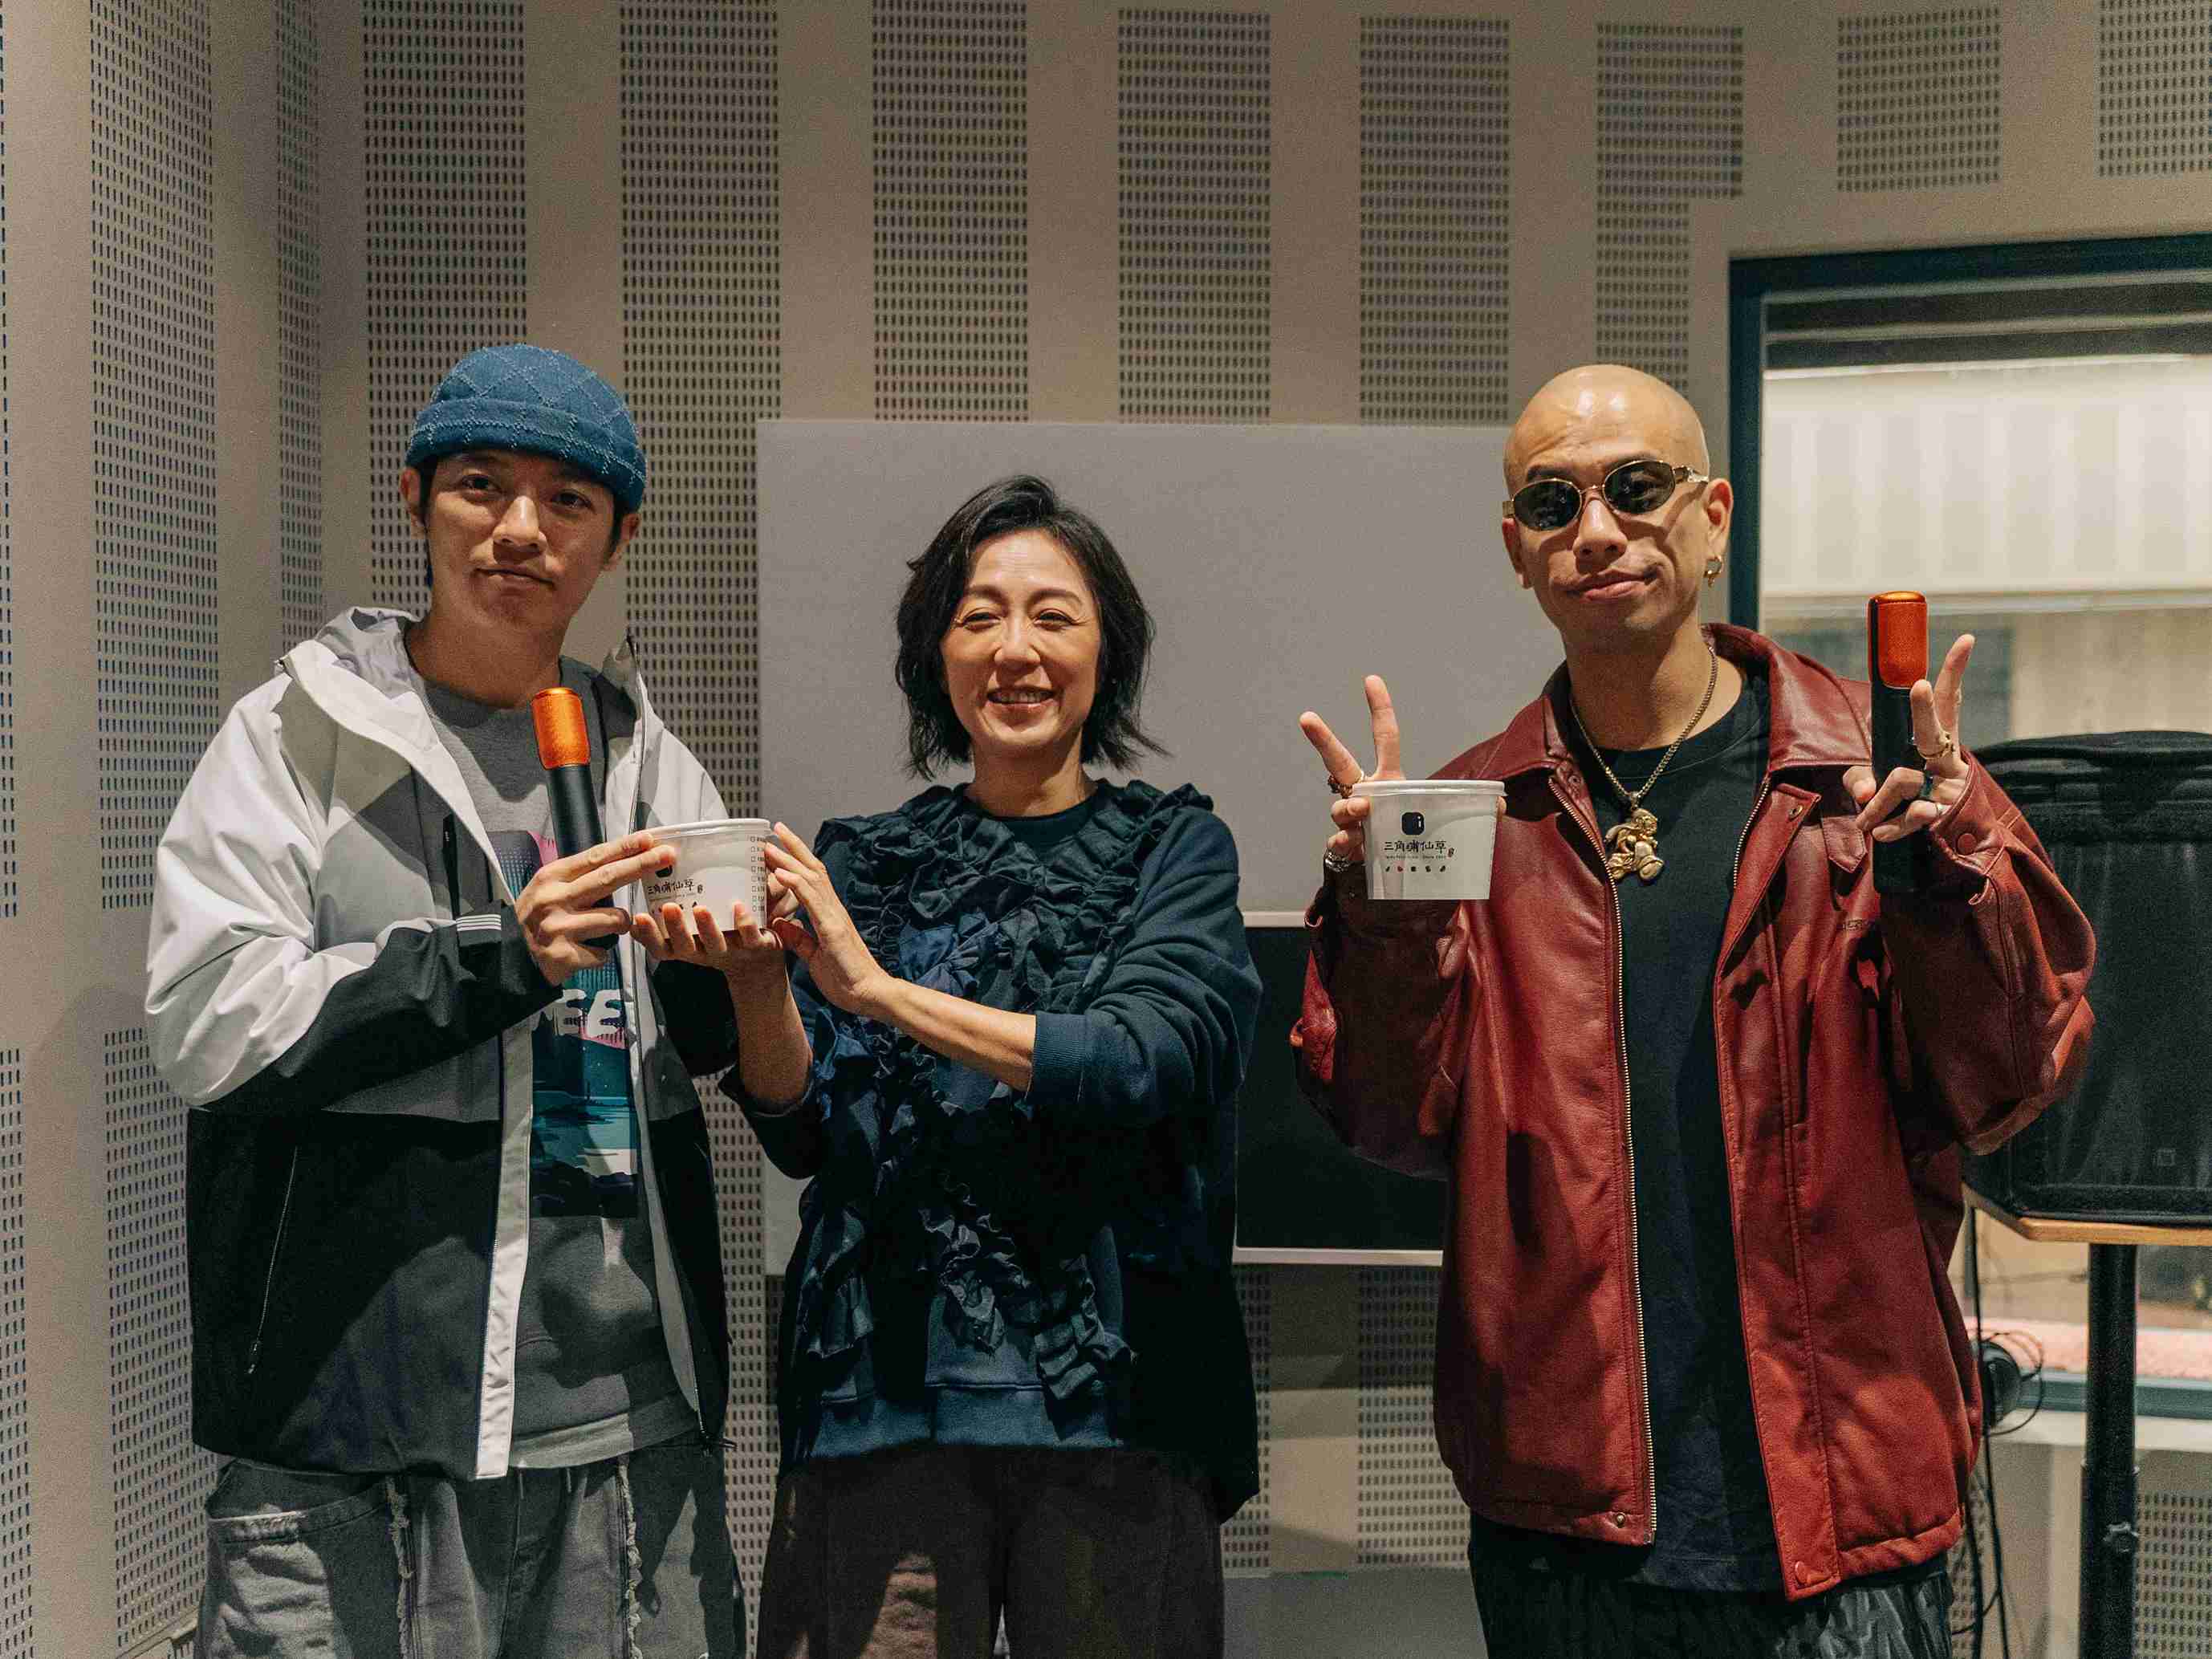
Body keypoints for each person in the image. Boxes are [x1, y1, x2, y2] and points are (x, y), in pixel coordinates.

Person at [1293, 364, 2095, 1659]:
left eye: (1636, 487)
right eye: (1553, 502)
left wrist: (1951, 880)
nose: (1596, 529)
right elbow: (1390, 1121)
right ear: (1517, 551)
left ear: (1712, 518)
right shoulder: (1473, 816)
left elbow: (2011, 1084)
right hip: (1566, 1512)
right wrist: (1382, 911)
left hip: (1838, 1501)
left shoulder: (1874, 787)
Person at [146, 345, 745, 1657]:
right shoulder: (297, 734)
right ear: (418, 500)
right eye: (483, 486)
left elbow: (688, 1058)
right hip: (357, 1429)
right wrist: (492, 960)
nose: (522, 528)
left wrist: (746, 975)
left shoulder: (649, 761)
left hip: (624, 1427)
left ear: (619, 538)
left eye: (569, 502)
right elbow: (206, 1022)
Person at [633, 475, 1261, 1657]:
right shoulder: (864, 859)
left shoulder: (1174, 848)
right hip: (885, 1393)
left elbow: (1140, 1059)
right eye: (979, 617)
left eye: (1053, 616)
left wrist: (875, 990)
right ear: (937, 655)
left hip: (1119, 1407)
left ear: (1109, 652)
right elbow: (806, 1131)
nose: (1015, 650)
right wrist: (763, 983)